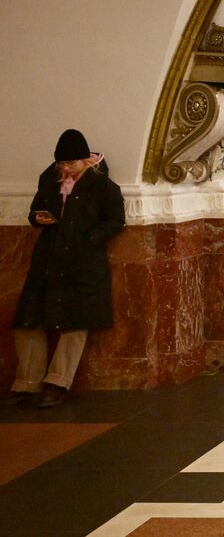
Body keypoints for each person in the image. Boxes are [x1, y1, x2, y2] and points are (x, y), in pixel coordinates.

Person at [4, 130, 124, 409]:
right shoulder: (49, 181)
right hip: (47, 260)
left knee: (74, 324)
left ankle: (58, 383)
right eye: (62, 164)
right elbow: (35, 210)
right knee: (28, 321)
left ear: (86, 161)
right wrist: (39, 218)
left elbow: (116, 220)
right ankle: (27, 382)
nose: (66, 169)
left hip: (82, 264)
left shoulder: (104, 188)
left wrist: (88, 239)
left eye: (71, 163)